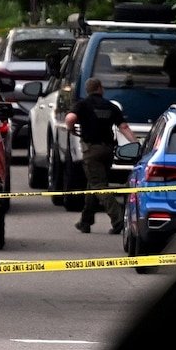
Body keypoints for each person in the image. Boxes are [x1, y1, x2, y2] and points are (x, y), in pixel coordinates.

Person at [65, 77, 136, 235]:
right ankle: (85, 221)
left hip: (91, 150)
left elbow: (70, 118)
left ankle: (119, 219)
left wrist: (70, 129)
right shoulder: (110, 106)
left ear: (88, 90)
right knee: (94, 183)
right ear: (100, 88)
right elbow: (123, 126)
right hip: (108, 150)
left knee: (98, 186)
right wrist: (135, 144)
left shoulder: (83, 105)